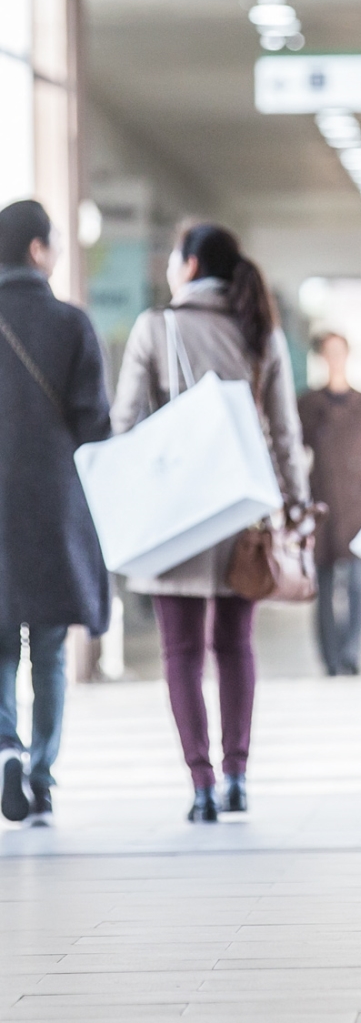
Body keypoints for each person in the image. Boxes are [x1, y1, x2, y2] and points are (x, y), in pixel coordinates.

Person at [112, 223, 309, 822]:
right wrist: (295, 506)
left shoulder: (157, 326)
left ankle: (200, 784)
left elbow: (124, 423)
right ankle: (238, 774)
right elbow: (284, 432)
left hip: (175, 518)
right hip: (241, 516)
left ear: (191, 265)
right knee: (234, 645)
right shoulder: (258, 330)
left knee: (181, 653)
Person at [0, 200, 111, 826]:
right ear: (38, 250)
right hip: (51, 508)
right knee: (48, 651)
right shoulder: (70, 325)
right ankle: (42, 779)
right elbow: (93, 423)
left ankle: (4, 747)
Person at [298, 331, 361, 676]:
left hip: (359, 508)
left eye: (340, 352)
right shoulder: (307, 405)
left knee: (357, 585)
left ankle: (351, 653)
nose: (334, 358)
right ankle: (331, 657)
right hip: (320, 507)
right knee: (320, 586)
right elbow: (294, 453)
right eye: (328, 352)